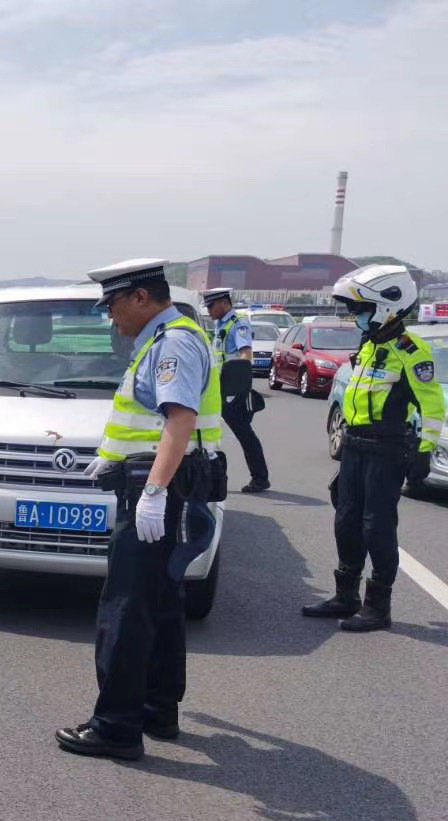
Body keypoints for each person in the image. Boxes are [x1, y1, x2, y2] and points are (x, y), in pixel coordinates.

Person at [55, 259, 222, 761]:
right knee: (161, 603)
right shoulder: (164, 338)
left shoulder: (171, 343)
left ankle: (116, 726)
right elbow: (145, 421)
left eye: (114, 306)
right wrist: (110, 460)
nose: (111, 318)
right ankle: (156, 708)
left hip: (158, 493)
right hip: (157, 484)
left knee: (125, 609)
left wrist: (152, 492)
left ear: (142, 298)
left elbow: (179, 420)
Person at [301, 265, 443, 632]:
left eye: (360, 308)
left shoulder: (410, 350)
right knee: (346, 521)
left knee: (375, 528)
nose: (356, 316)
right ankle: (344, 595)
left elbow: (432, 405)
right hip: (355, 446)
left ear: (385, 307)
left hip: (387, 449)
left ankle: (378, 607)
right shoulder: (370, 345)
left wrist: (424, 451)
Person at [204, 287, 270, 492]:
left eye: (211, 306)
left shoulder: (237, 325)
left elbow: (246, 356)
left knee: (245, 435)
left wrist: (238, 385)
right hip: (218, 388)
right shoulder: (221, 325)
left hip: (232, 391)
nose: (209, 310)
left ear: (224, 303)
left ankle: (260, 478)